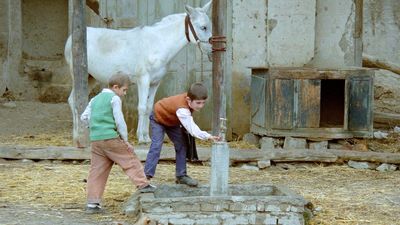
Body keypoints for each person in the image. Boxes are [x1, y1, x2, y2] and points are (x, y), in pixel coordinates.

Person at [80, 72, 155, 214]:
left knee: (97, 171)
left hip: (96, 140)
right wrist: (125, 140)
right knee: (129, 158)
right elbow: (119, 121)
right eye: (124, 90)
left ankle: (92, 203)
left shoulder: (94, 99)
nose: (125, 93)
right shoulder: (114, 98)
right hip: (110, 138)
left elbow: (84, 117)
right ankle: (143, 184)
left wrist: (94, 127)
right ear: (116, 87)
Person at [144, 82, 220, 187]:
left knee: (182, 145)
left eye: (203, 103)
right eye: (198, 103)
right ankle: (145, 178)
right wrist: (208, 136)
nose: (201, 106)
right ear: (189, 100)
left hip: (173, 121)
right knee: (156, 146)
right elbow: (192, 129)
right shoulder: (182, 109)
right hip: (159, 118)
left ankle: (181, 176)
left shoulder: (190, 98)